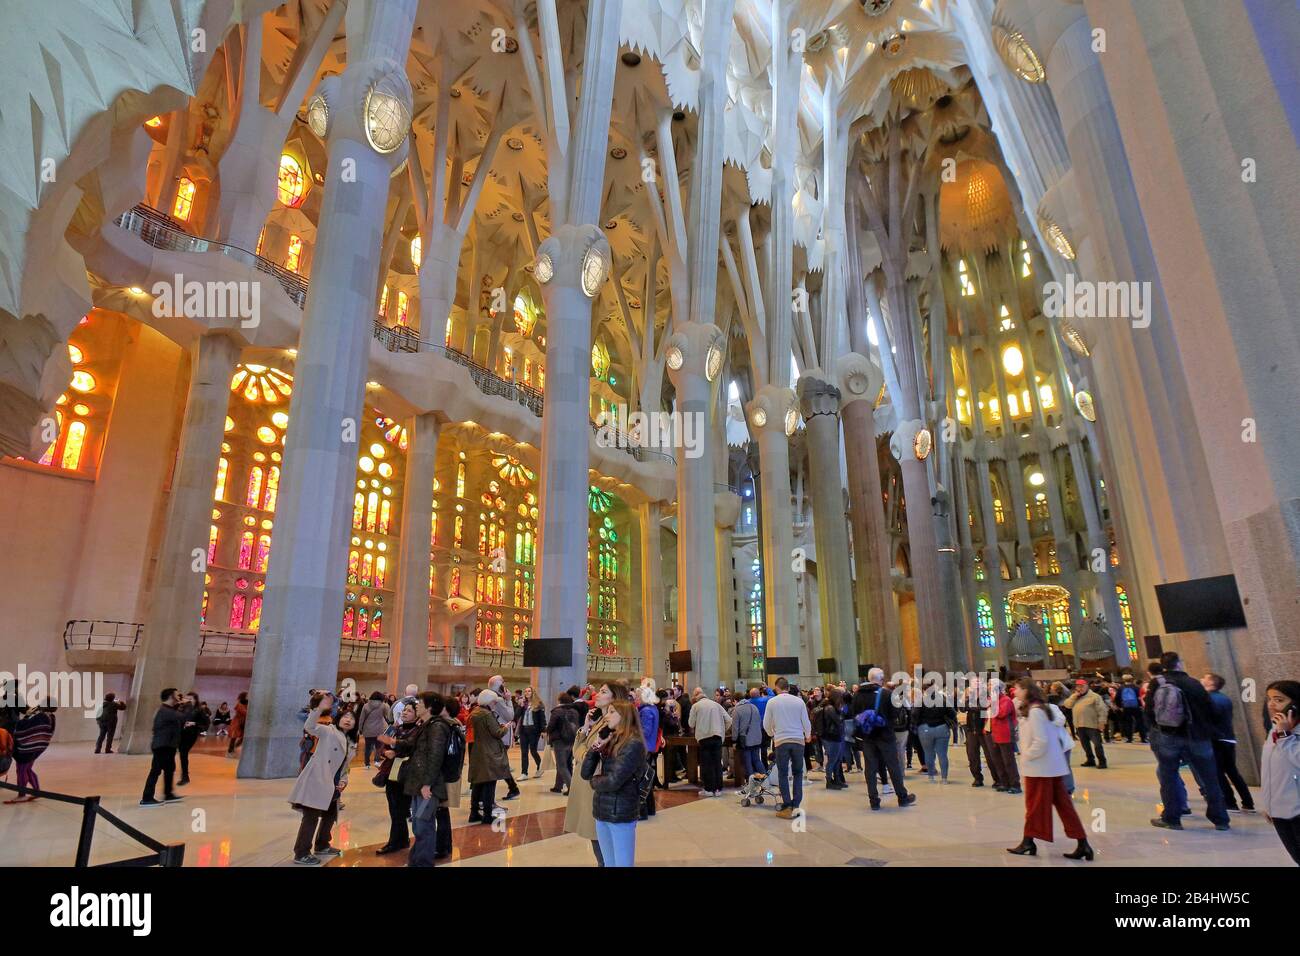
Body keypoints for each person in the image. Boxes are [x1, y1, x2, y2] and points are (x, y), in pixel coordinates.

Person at [1006, 680, 1094, 861]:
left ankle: (1028, 841)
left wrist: (1026, 755)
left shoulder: (1037, 711)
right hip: (1049, 766)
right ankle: (1082, 843)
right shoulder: (1035, 708)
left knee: (1034, 805)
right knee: (1063, 805)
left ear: (1027, 691)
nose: (1015, 691)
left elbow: (1041, 740)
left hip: (1041, 767)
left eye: (1019, 689)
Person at [1146, 651, 1230, 832]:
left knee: (1169, 777)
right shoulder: (1194, 683)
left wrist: (1158, 730)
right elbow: (1210, 709)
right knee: (1209, 778)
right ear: (1179, 664)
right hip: (1198, 736)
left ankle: (1172, 818)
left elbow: (1149, 711)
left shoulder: (1157, 683)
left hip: (1168, 736)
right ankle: (1220, 819)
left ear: (1162, 665)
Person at [565, 681, 630, 865]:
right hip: (588, 783)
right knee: (596, 838)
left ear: (614, 698)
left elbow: (586, 755)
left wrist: (583, 752)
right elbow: (579, 748)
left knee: (600, 840)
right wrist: (586, 726)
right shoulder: (601, 720)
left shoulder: (614, 724)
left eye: (603, 692)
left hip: (596, 786)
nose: (597, 695)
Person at [287, 694, 356, 865]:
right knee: (311, 816)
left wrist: (343, 780)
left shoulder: (350, 741)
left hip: (333, 783)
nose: (348, 720)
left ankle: (322, 844)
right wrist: (319, 709)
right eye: (345, 716)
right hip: (318, 780)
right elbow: (310, 726)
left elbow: (345, 764)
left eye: (352, 718)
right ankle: (301, 852)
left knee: (330, 815)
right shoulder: (328, 731)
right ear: (337, 718)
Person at [580, 697, 647, 867]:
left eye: (611, 712)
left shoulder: (633, 744)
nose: (607, 716)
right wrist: (596, 748)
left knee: (622, 863)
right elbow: (585, 773)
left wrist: (594, 782)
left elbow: (613, 781)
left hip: (621, 812)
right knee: (609, 862)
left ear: (624, 716)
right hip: (602, 811)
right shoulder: (611, 740)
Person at [402, 692, 455, 867]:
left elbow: (435, 756)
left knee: (423, 824)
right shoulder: (427, 725)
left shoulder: (437, 727)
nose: (417, 706)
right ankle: (417, 860)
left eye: (420, 703)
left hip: (428, 785)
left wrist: (427, 784)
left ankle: (422, 862)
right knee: (419, 824)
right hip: (420, 782)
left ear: (429, 707)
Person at [851, 669, 916, 811]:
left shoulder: (857, 694)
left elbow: (854, 714)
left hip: (867, 736)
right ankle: (902, 797)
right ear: (880, 679)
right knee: (893, 766)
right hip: (885, 735)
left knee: (870, 768)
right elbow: (895, 714)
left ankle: (874, 800)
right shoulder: (886, 694)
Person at [1201, 673, 1255, 813]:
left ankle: (1230, 803)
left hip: (1217, 739)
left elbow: (1209, 718)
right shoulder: (1223, 698)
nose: (1201, 680)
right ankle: (1248, 802)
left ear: (1212, 683)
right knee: (1232, 771)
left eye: (1205, 678)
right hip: (1228, 738)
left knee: (1219, 773)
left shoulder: (1209, 699)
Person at [1259, 680, 1300, 864]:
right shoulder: (1275, 730)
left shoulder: (1284, 733)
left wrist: (1285, 736)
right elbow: (1268, 771)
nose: (1272, 704)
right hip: (1279, 811)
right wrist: (1268, 803)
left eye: (1279, 699)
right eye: (1269, 699)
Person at [374, 701, 419, 855]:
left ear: (416, 714)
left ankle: (395, 842)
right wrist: (385, 752)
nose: (405, 713)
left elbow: (411, 748)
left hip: (404, 775)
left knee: (400, 809)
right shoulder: (395, 728)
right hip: (390, 773)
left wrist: (395, 750)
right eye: (404, 710)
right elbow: (382, 746)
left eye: (409, 711)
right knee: (395, 809)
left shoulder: (417, 731)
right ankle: (401, 839)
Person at [762, 678, 812, 818]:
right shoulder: (799, 701)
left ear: (776, 688)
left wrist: (773, 734)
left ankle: (787, 804)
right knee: (797, 773)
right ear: (788, 688)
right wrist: (807, 735)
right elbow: (806, 722)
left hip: (781, 741)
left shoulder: (772, 702)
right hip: (798, 740)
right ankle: (796, 804)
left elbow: (766, 723)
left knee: (782, 774)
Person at [140, 688, 189, 807]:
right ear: (171, 697)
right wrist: (186, 704)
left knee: (169, 769)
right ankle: (147, 798)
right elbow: (183, 717)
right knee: (155, 771)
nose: (179, 697)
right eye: (177, 696)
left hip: (168, 745)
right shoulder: (165, 711)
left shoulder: (168, 710)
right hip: (162, 746)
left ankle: (168, 794)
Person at [467, 689, 510, 823]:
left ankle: (473, 813)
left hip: (477, 751)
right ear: (489, 701)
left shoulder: (474, 713)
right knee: (489, 784)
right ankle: (487, 815)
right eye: (494, 702)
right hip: (490, 752)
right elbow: (497, 732)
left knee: (478, 784)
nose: (494, 704)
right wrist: (506, 727)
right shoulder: (486, 714)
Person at [4, 703, 55, 803]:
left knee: (22, 770)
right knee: (27, 769)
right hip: (36, 749)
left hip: (27, 748)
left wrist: (27, 716)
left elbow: (23, 725)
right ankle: (36, 791)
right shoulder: (51, 717)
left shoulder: (41, 716)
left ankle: (22, 795)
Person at [688, 686, 731, 798]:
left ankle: (709, 789)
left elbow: (691, 724)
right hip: (717, 737)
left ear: (695, 696)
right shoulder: (716, 705)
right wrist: (722, 729)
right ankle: (718, 789)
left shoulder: (696, 706)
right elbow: (729, 720)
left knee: (707, 764)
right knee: (717, 763)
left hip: (704, 738)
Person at [485, 676, 522, 799]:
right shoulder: (499, 699)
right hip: (501, 735)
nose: (505, 684)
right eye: (502, 682)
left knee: (498, 765)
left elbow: (510, 716)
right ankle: (513, 788)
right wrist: (509, 700)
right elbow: (510, 715)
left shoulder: (497, 698)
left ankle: (512, 788)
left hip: (500, 735)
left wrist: (508, 700)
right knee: (500, 764)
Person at [915, 679, 956, 783]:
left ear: (924, 690)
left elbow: (914, 715)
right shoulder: (942, 699)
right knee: (942, 754)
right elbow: (952, 713)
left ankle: (931, 777)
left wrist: (918, 724)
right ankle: (944, 778)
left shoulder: (920, 701)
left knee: (928, 753)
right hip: (942, 728)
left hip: (925, 729)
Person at [987, 678, 1021, 794]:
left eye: (991, 686)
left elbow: (1001, 713)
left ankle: (1015, 784)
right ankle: (1004, 783)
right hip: (994, 734)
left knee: (1008, 761)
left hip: (1005, 734)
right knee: (998, 760)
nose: (989, 688)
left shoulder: (1005, 700)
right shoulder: (993, 700)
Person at [1066, 680, 1108, 769]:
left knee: (1097, 744)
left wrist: (1102, 722)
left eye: (1082, 686)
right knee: (1085, 745)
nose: (1080, 688)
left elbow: (1102, 710)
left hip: (1092, 725)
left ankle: (1102, 761)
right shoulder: (1075, 697)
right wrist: (1074, 696)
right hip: (1079, 725)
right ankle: (1090, 760)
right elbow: (1067, 705)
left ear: (1087, 686)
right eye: (1078, 687)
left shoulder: (1095, 697)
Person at [546, 692, 580, 793]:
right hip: (571, 740)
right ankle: (558, 786)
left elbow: (551, 726)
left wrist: (546, 730)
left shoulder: (556, 711)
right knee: (567, 764)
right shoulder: (574, 711)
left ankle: (571, 789)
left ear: (559, 700)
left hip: (559, 741)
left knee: (561, 766)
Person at [960, 681, 992, 787]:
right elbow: (962, 708)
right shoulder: (970, 697)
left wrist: (972, 707)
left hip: (984, 730)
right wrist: (965, 698)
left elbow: (984, 710)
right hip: (971, 730)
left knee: (990, 755)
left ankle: (998, 779)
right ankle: (977, 778)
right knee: (972, 755)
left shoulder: (986, 696)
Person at [637, 683, 660, 818]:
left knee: (642, 779)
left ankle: (643, 811)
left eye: (639, 697)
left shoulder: (645, 711)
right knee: (647, 778)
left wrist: (633, 730)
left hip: (644, 746)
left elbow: (645, 731)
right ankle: (650, 808)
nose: (637, 699)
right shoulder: (653, 708)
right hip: (649, 746)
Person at [731, 689, 765, 782]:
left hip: (745, 740)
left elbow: (735, 728)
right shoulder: (754, 707)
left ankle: (751, 783)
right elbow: (759, 722)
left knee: (747, 762)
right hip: (757, 738)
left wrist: (734, 740)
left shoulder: (737, 710)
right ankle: (765, 779)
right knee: (757, 760)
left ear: (735, 700)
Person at [816, 690, 848, 789]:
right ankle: (829, 781)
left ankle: (837, 780)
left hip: (833, 737)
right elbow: (838, 721)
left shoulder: (830, 707)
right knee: (833, 760)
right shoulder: (830, 708)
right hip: (831, 737)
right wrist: (842, 711)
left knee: (837, 760)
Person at [177, 691, 207, 785]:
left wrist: (194, 723)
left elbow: (206, 723)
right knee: (182, 753)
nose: (188, 701)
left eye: (191, 699)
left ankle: (185, 776)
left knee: (183, 752)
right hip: (181, 733)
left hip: (191, 734)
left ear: (195, 700)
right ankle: (184, 775)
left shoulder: (199, 710)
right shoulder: (182, 708)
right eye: (187, 699)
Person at [516, 686, 546, 779]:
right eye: (525, 691)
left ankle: (540, 767)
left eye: (529, 691)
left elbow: (542, 719)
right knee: (524, 752)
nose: (527, 692)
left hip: (534, 731)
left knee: (533, 751)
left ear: (533, 692)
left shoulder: (538, 704)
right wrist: (520, 706)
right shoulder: (523, 704)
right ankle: (524, 773)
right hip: (524, 730)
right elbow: (516, 716)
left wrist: (543, 730)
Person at [359, 691, 390, 769]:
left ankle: (367, 764)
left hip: (368, 730)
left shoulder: (366, 706)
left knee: (368, 747)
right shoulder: (383, 706)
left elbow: (361, 718)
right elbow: (388, 715)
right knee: (378, 746)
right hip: (379, 729)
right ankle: (376, 761)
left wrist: (360, 728)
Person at [1116, 674, 1146, 742]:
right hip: (1136, 707)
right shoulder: (1136, 687)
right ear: (1131, 679)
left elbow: (1117, 698)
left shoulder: (1121, 688)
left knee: (1128, 723)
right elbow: (1140, 697)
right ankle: (1143, 738)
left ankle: (1129, 738)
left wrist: (1120, 706)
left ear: (1123, 680)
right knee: (1140, 722)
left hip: (1126, 707)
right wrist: (1140, 705)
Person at [227, 691, 247, 756]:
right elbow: (245, 712)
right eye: (247, 695)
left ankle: (235, 746)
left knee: (243, 736)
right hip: (237, 722)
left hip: (244, 722)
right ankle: (230, 750)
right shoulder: (239, 704)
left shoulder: (248, 703)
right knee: (234, 736)